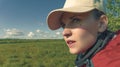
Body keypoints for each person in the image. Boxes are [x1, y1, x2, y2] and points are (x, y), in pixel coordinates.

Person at [46, 0, 120, 67]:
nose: (65, 32)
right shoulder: (89, 53)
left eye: (75, 20)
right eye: (63, 25)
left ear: (101, 23)